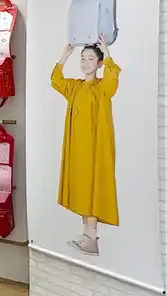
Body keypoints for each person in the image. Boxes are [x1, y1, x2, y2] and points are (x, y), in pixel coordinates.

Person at [51, 34, 120, 256]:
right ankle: (87, 236)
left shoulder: (102, 88)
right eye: (83, 58)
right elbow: (56, 80)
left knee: (92, 188)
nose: (85, 62)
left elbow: (113, 75)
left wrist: (106, 51)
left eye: (91, 59)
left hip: (95, 148)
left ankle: (91, 237)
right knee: (81, 188)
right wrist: (65, 55)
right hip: (77, 148)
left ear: (99, 64)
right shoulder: (75, 87)